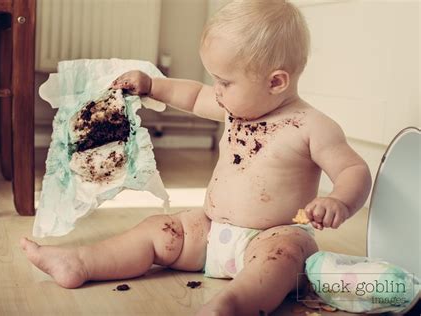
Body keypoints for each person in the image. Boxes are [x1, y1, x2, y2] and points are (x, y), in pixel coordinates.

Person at [21, 0, 372, 314]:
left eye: (225, 82)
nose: (216, 91)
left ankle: (232, 304)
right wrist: (151, 84)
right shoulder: (237, 109)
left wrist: (339, 200)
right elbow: (191, 95)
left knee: (284, 259)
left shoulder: (311, 126)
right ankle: (82, 262)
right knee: (158, 230)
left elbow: (353, 168)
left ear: (276, 82)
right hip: (211, 230)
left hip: (274, 237)